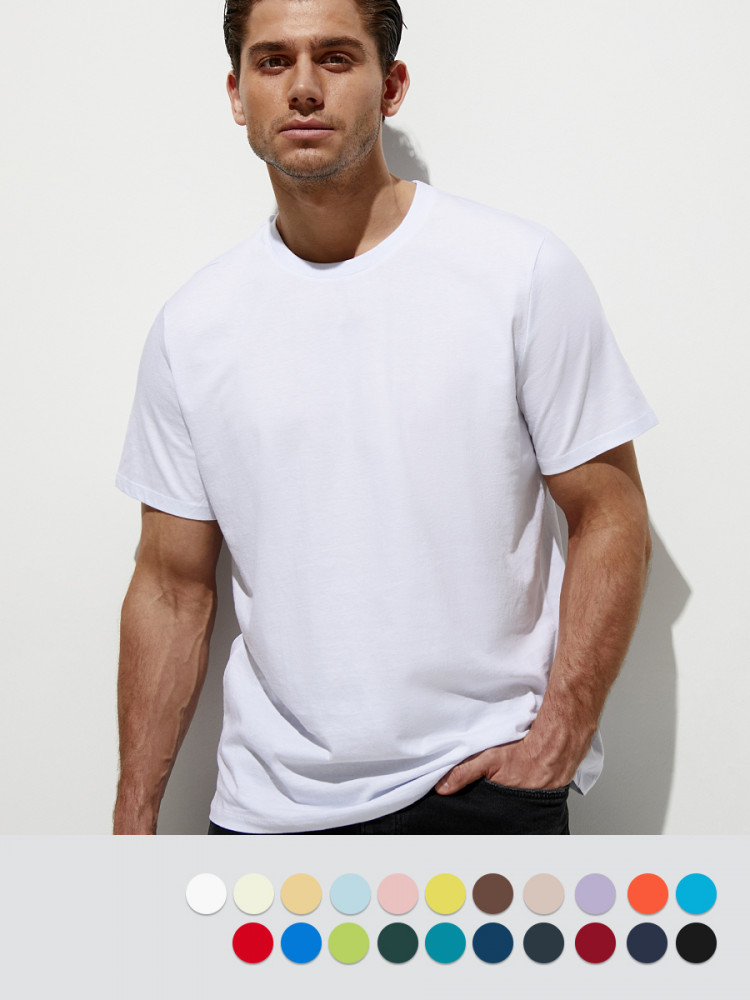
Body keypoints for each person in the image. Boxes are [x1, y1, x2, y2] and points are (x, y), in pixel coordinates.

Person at [113, 0, 656, 836]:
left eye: (335, 58)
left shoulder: (518, 273)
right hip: (265, 818)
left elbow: (610, 513)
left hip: (477, 791)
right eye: (272, 61)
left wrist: (557, 741)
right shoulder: (193, 329)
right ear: (236, 95)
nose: (302, 87)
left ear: (392, 85)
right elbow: (170, 587)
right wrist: (132, 821)